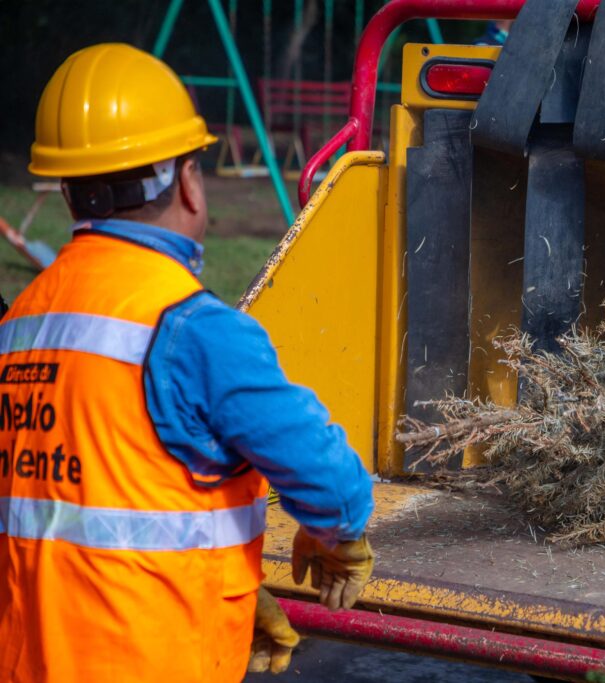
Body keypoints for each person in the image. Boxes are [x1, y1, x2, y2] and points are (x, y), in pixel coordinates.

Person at [0, 43, 375, 682]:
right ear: (189, 184)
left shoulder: (20, 324)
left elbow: (81, 499)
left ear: (68, 194)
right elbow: (327, 477)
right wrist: (340, 535)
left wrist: (227, 575)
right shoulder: (195, 331)